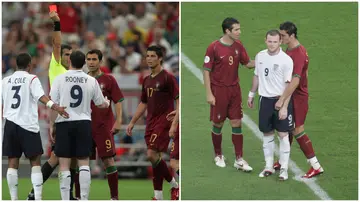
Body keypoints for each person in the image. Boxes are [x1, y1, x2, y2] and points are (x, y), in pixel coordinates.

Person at [2, 53, 69, 200]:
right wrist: (56, 107)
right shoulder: (32, 79)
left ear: (15, 64)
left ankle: (13, 199)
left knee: (12, 163)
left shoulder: (5, 81)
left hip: (10, 124)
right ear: (29, 65)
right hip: (28, 125)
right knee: (35, 162)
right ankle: (37, 198)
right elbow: (42, 97)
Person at [27, 10, 79, 200]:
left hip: (73, 118)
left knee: (71, 160)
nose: (67, 57)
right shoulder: (57, 65)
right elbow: (57, 43)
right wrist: (57, 24)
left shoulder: (73, 71)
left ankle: (70, 194)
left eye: (70, 55)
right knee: (56, 158)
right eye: (66, 54)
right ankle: (34, 192)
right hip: (60, 117)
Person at [50, 50, 110, 200]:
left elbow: (53, 103)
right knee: (84, 162)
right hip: (84, 122)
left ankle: (65, 198)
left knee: (64, 163)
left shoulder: (60, 78)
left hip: (64, 121)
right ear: (84, 63)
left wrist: (52, 124)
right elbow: (100, 104)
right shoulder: (91, 80)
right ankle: (84, 198)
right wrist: (107, 103)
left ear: (69, 61)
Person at [126, 45, 179, 200]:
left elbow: (178, 98)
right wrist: (132, 122)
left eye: (152, 56)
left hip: (164, 119)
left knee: (151, 154)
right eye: (147, 56)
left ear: (160, 58)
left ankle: (175, 185)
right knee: (155, 157)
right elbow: (143, 103)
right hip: (150, 122)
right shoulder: (147, 80)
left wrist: (175, 122)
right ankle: (159, 195)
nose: (149, 59)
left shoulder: (167, 77)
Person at [203, 17, 255, 170]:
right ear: (227, 31)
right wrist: (209, 94)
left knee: (236, 122)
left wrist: (264, 58)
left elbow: (248, 64)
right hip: (218, 91)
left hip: (234, 90)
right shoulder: (213, 47)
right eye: (236, 29)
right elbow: (206, 71)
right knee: (218, 123)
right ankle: (218, 155)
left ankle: (239, 159)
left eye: (239, 29)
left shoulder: (238, 45)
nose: (240, 32)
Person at [274, 21, 324, 178]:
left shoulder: (299, 53)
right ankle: (282, 161)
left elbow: (295, 80)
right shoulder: (290, 49)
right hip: (293, 94)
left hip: (297, 98)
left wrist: (282, 98)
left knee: (297, 129)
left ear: (292, 35)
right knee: (287, 126)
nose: (280, 38)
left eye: (283, 35)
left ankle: (315, 165)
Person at [247, 30, 294, 180]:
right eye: (269, 41)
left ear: (280, 42)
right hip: (265, 100)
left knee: (283, 134)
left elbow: (289, 86)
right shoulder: (260, 56)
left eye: (275, 41)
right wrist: (251, 94)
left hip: (280, 100)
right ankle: (268, 167)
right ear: (265, 40)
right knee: (267, 133)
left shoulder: (286, 60)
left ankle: (284, 169)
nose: (272, 44)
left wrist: (284, 106)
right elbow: (257, 75)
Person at [86, 49, 124, 200]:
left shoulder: (109, 80)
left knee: (108, 160)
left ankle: (114, 197)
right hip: (85, 127)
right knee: (81, 161)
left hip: (103, 127)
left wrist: (119, 121)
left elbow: (119, 101)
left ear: (100, 61)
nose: (91, 62)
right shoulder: (83, 79)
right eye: (88, 59)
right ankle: (79, 196)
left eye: (94, 59)